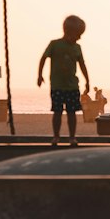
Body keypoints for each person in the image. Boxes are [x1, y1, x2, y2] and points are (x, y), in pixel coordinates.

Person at [37, 14, 91, 147]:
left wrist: (87, 81)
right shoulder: (55, 45)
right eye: (78, 34)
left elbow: (82, 64)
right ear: (69, 32)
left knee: (72, 113)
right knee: (57, 112)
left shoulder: (77, 48)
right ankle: (56, 136)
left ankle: (72, 137)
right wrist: (39, 75)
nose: (79, 37)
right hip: (57, 86)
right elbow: (43, 58)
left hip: (72, 86)